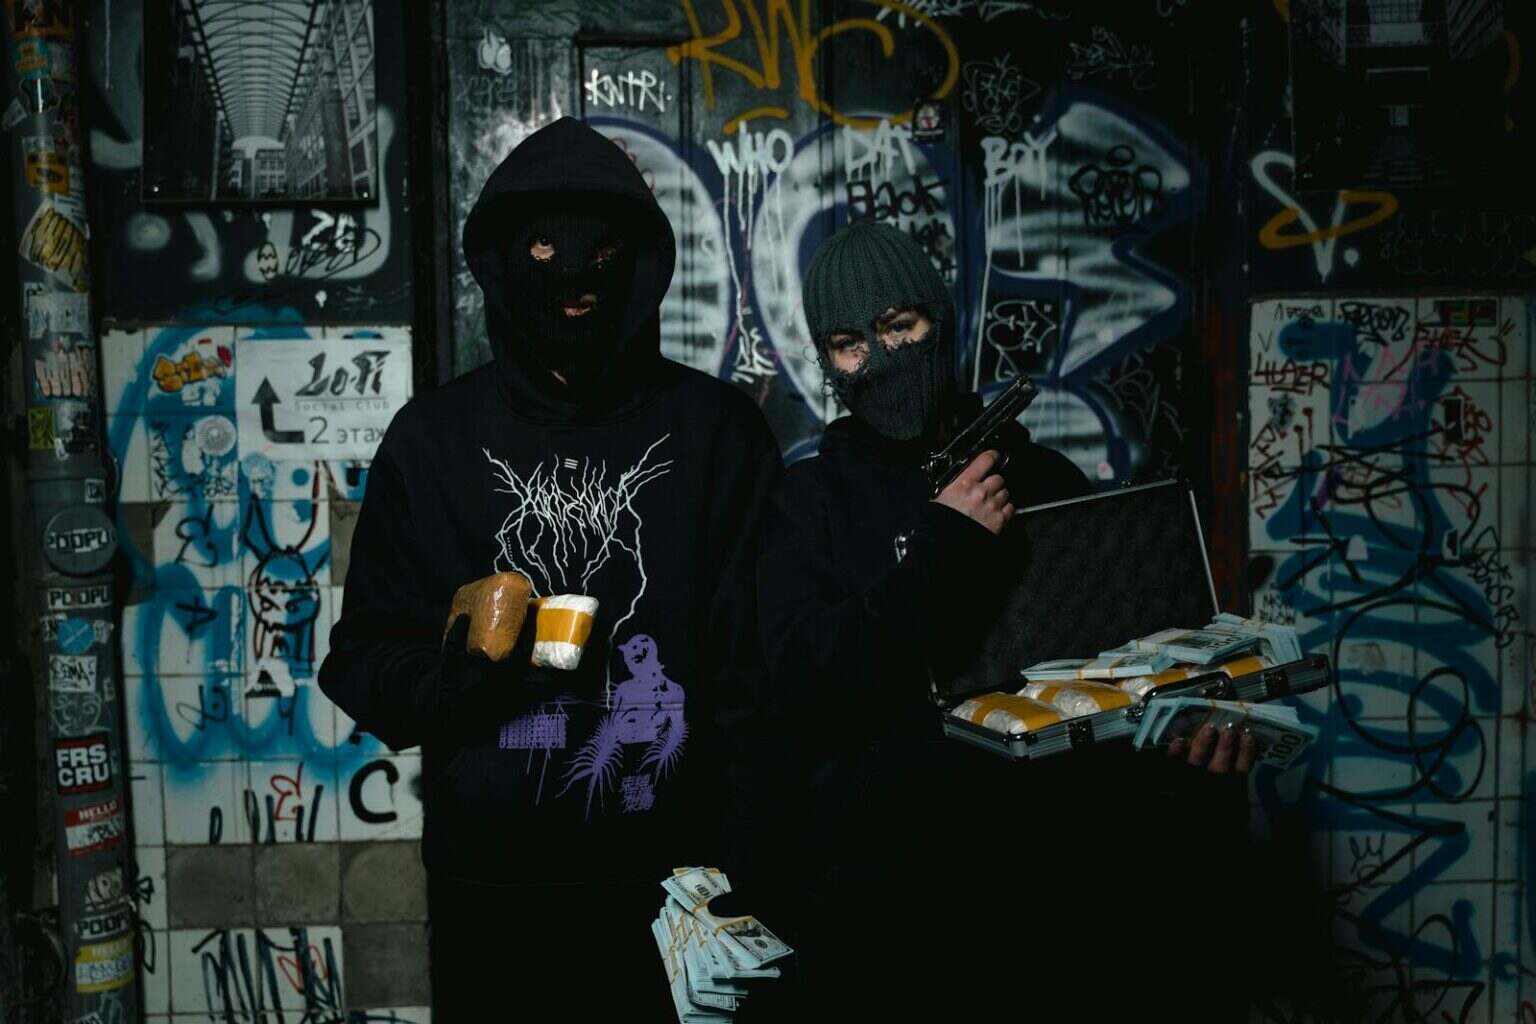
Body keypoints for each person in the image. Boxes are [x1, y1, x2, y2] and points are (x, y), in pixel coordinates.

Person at [318, 117, 781, 1020]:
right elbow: (361, 660)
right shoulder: (435, 440)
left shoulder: (717, 435)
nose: (572, 278)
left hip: (682, 897)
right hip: (498, 905)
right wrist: (468, 679)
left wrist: (750, 876)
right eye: (542, 248)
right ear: (502, 264)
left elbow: (765, 681)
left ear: (639, 265)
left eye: (601, 253)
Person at [755, 220, 1253, 1018]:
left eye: (899, 328)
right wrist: (943, 551)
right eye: (851, 343)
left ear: (939, 323)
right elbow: (807, 692)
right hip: (883, 922)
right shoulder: (807, 505)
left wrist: (1189, 751)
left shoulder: (1044, 478)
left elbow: (1109, 694)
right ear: (826, 358)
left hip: (1051, 912)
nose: (879, 360)